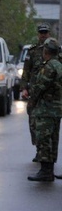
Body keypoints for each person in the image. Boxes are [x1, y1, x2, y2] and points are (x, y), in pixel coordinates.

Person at [27, 38, 62, 181]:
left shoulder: (49, 67)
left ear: (46, 50)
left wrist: (31, 103)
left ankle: (46, 171)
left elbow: (40, 87)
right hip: (56, 109)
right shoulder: (59, 65)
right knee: (53, 139)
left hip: (46, 109)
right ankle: (49, 169)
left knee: (44, 139)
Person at [20, 23, 51, 160]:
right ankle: (38, 148)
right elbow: (26, 71)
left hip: (50, 93)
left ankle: (45, 152)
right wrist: (24, 88)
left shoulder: (55, 50)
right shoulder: (33, 51)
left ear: (49, 33)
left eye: (45, 32)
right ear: (38, 34)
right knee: (33, 122)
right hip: (34, 91)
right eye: (41, 32)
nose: (43, 35)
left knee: (47, 124)